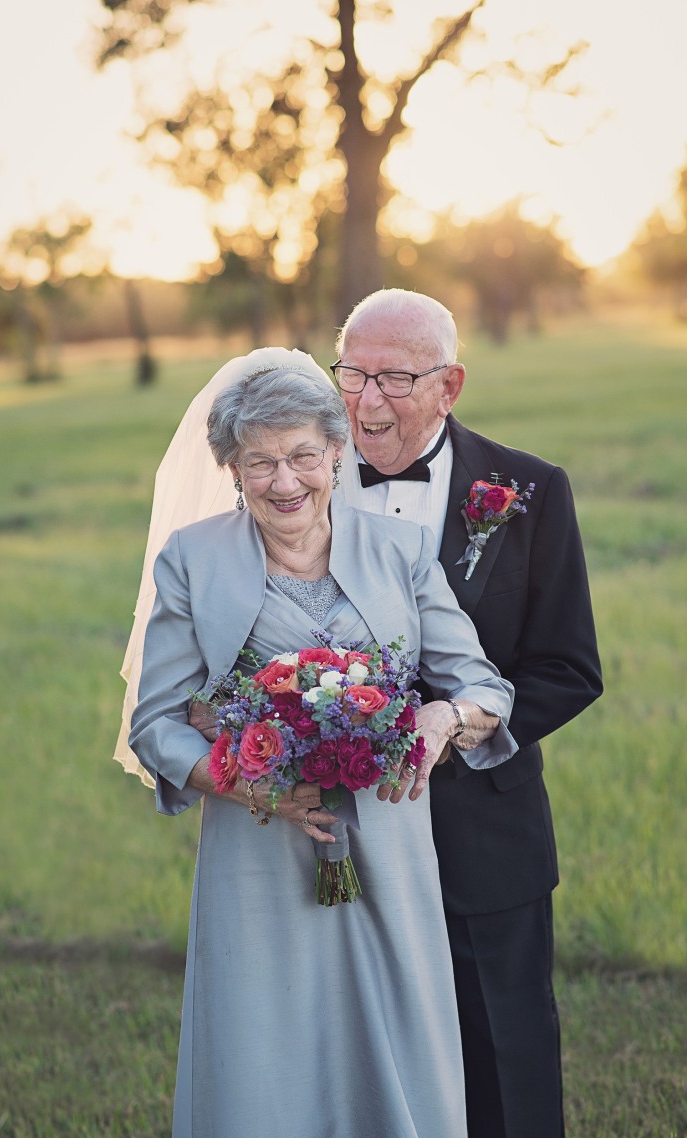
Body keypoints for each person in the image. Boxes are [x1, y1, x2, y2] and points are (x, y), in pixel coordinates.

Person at [120, 348, 518, 1138]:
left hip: (392, 845)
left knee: (397, 1040)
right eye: (259, 461)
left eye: (303, 455)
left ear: (337, 452)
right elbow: (156, 723)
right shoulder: (192, 560)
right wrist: (247, 783)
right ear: (232, 469)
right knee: (267, 1046)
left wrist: (440, 720)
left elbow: (484, 688)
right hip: (260, 850)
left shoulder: (401, 552)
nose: (285, 481)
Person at [332, 289, 604, 1138]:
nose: (366, 401)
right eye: (352, 374)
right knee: (355, 1047)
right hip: (338, 826)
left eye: (395, 378)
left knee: (503, 1051)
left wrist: (459, 723)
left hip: (486, 828)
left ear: (450, 385)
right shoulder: (301, 478)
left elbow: (569, 668)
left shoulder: (529, 490)